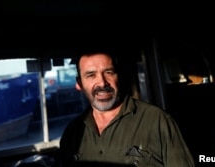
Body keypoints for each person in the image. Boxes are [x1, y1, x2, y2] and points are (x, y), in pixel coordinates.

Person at [59, 48, 195, 167]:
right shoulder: (72, 133)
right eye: (91, 75)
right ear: (80, 84)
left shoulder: (158, 121)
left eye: (109, 72)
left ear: (119, 77)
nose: (102, 82)